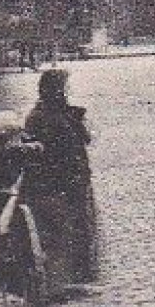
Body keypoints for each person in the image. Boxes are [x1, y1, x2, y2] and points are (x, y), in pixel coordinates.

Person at [23, 69, 97, 289]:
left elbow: (85, 139)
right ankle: (59, 282)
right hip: (57, 183)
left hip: (74, 180)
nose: (67, 92)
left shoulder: (63, 113)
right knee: (60, 231)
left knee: (79, 225)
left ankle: (78, 276)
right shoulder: (40, 117)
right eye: (63, 88)